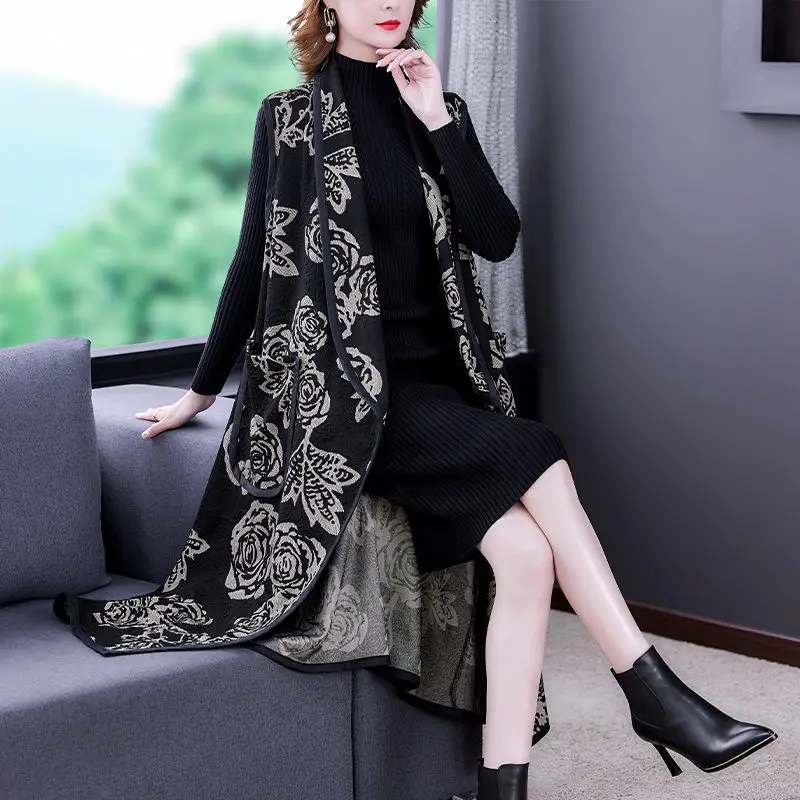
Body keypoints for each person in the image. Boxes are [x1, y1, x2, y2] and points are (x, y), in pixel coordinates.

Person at [132, 2, 778, 799]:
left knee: (527, 557)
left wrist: (438, 120)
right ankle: (652, 691)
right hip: (354, 404)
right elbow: (252, 262)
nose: (388, 3)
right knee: (539, 448)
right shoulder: (289, 118)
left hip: (442, 394)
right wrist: (200, 392)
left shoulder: (440, 109)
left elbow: (497, 236)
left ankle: (505, 783)